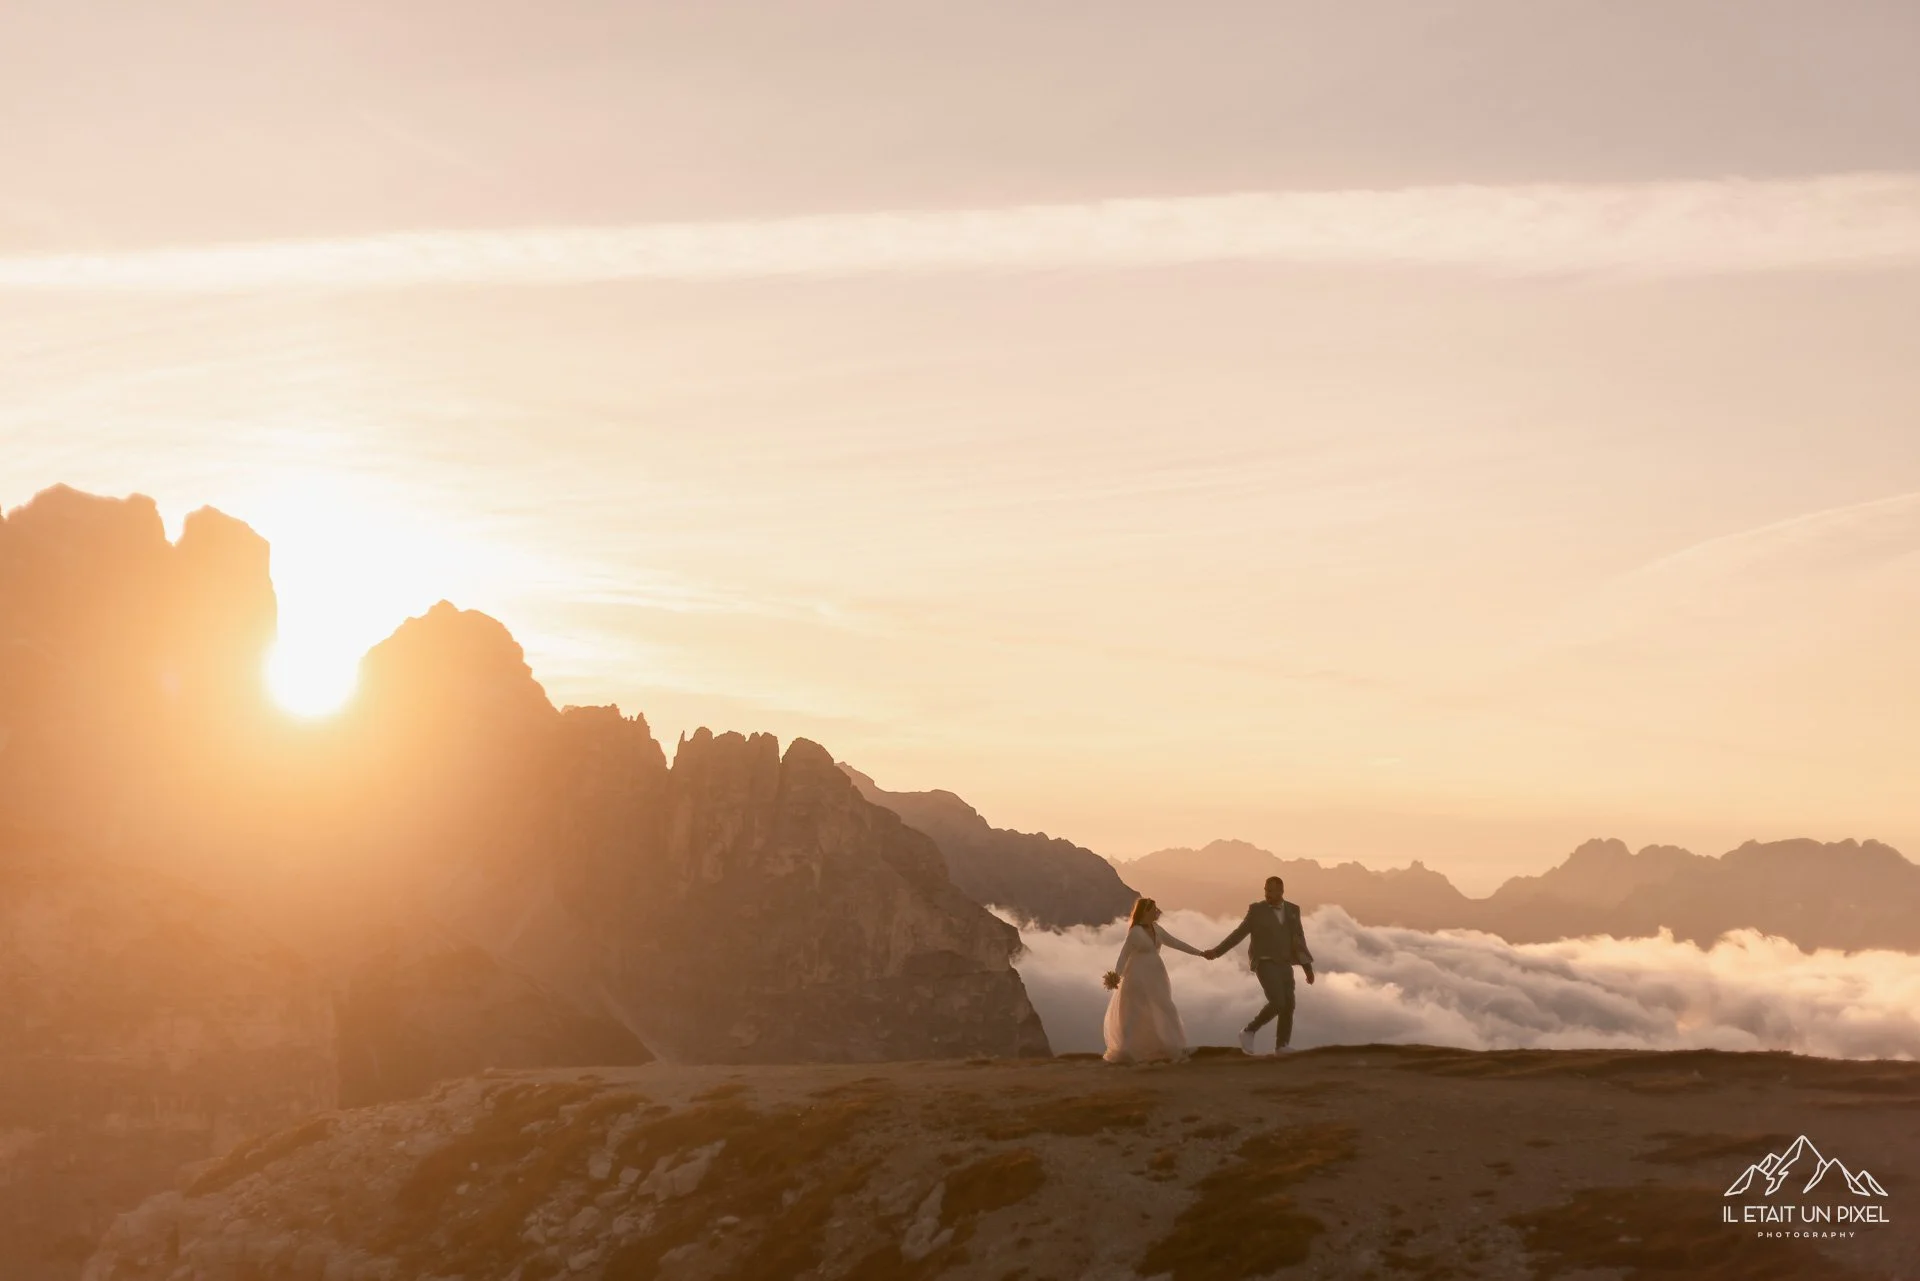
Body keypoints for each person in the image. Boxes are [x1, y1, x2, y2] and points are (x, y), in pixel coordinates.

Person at [1205, 875, 1315, 1055]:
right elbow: (1238, 934)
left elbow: (1299, 941)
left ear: (1281, 890)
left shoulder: (1293, 910)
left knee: (1288, 1004)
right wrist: (1216, 952)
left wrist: (1307, 968)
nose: (1267, 894)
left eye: (1271, 890)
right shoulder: (1256, 911)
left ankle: (1282, 1046)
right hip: (1264, 962)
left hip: (1284, 963)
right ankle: (1249, 1031)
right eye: (1265, 890)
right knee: (1278, 1002)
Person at [1101, 896, 1207, 1064]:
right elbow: (1124, 955)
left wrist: (1199, 953)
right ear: (1145, 911)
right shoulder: (1135, 932)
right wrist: (1116, 976)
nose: (1157, 912)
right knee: (1135, 1012)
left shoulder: (1156, 928)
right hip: (1137, 975)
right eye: (1154, 910)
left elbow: (1175, 943)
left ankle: (1175, 1046)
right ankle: (1126, 1048)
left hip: (1156, 975)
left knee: (1166, 1007)